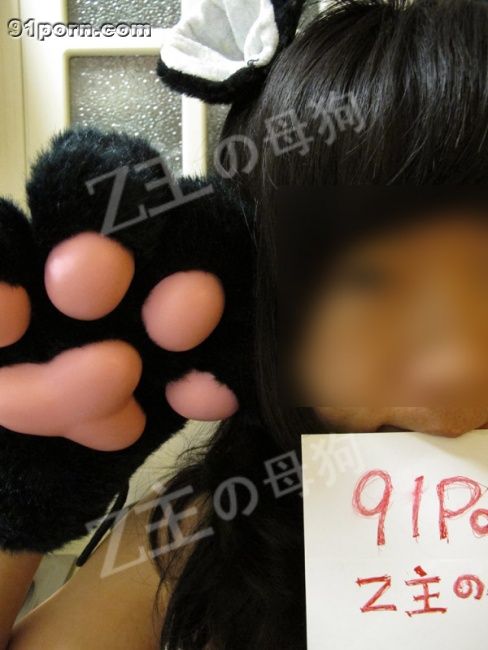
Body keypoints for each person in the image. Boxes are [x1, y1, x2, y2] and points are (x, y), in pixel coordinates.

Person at [3, 0, 488, 648]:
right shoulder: (206, 532)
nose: (457, 372)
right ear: (260, 306)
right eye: (372, 284)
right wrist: (25, 497)